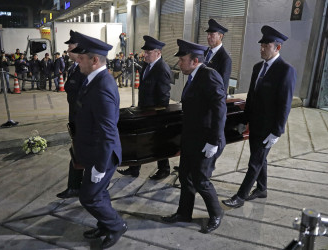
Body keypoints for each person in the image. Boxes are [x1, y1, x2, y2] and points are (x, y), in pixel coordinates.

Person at [222, 26, 297, 208]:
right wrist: (244, 120)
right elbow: (252, 97)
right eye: (261, 45)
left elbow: (284, 104)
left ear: (277, 48)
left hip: (269, 128)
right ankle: (262, 188)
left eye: (266, 45)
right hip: (254, 125)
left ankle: (240, 196)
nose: (262, 48)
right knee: (259, 158)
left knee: (254, 162)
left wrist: (277, 132)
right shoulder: (258, 68)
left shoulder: (285, 70)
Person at [161, 39, 227, 234]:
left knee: (201, 180)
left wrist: (214, 141)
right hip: (191, 139)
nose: (179, 63)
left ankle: (216, 214)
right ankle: (184, 212)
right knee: (185, 177)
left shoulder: (209, 76)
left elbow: (219, 111)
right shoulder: (193, 77)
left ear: (195, 60)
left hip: (207, 140)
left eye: (182, 59)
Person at [70, 33, 127, 249]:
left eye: (82, 58)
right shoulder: (93, 79)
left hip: (102, 155)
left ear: (95, 60)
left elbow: (107, 131)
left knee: (89, 197)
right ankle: (105, 224)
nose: (78, 60)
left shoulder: (102, 86)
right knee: (99, 193)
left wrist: (100, 167)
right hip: (94, 151)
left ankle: (117, 225)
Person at [117, 35, 172, 180]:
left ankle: (164, 169)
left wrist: (158, 116)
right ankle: (134, 168)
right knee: (139, 140)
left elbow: (164, 97)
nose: (145, 55)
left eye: (148, 52)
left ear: (158, 53)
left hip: (155, 113)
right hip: (144, 110)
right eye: (145, 52)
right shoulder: (147, 65)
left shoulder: (162, 69)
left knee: (158, 142)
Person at [56, 30, 86, 199]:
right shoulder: (74, 67)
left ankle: (76, 186)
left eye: (71, 46)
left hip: (81, 121)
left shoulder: (83, 70)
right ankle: (76, 186)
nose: (68, 49)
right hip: (75, 119)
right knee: (77, 153)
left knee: (78, 154)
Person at [204, 19, 232, 95]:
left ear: (220, 36)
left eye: (211, 34)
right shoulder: (204, 52)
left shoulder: (225, 58)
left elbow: (223, 87)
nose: (208, 37)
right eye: (208, 34)